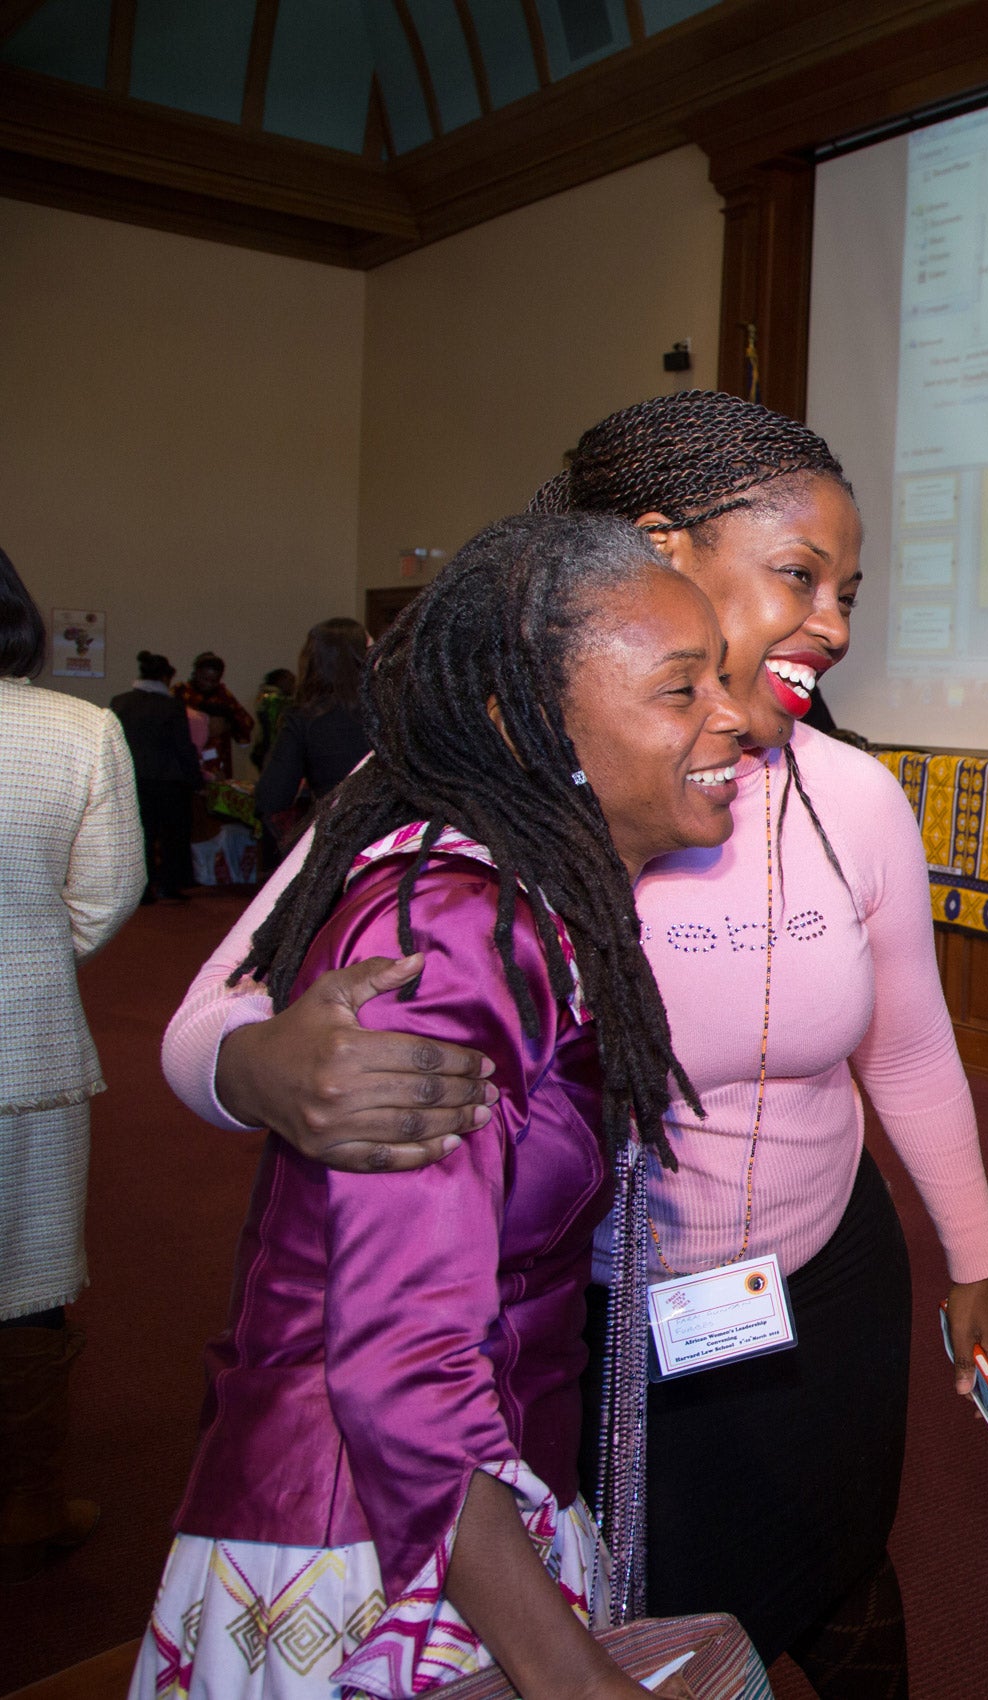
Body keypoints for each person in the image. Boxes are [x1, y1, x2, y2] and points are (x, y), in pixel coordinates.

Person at [162, 390, 988, 1700]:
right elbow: (212, 1020)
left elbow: (906, 1048)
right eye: (801, 576)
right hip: (598, 1313)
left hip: (817, 1276)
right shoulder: (460, 781)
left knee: (837, 1569)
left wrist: (978, 1265)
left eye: (850, 588)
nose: (835, 625)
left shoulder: (848, 794)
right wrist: (263, 1067)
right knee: (629, 1589)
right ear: (663, 551)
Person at [137, 513, 749, 1700]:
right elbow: (399, 1367)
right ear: (530, 725)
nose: (729, 716)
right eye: (683, 689)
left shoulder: (533, 891)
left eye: (718, 675)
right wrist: (568, 1673)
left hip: (467, 1504)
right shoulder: (455, 935)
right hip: (378, 1556)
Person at [0, 545, 141, 1584]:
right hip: (26, 1045)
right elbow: (106, 893)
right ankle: (22, 1506)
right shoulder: (75, 729)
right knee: (25, 1277)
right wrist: (33, 961)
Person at [254, 616, 373, 843]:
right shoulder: (392, 709)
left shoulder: (306, 717)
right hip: (400, 840)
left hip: (338, 838)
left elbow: (272, 797)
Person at [111, 651, 199, 904]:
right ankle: (169, 885)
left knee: (141, 836)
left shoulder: (120, 702)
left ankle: (142, 889)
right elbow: (184, 747)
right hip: (169, 781)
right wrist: (196, 780)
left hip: (134, 780)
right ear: (165, 678)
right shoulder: (172, 706)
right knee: (172, 837)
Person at [176, 650, 253, 779]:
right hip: (189, 759)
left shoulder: (224, 695)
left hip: (218, 761)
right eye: (205, 679)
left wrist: (227, 722)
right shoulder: (181, 692)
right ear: (196, 673)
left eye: (214, 680)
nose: (208, 684)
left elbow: (246, 722)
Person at [248, 667, 294, 771]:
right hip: (270, 748)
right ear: (281, 681)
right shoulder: (273, 699)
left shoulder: (265, 697)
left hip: (267, 747)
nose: (294, 685)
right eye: (291, 681)